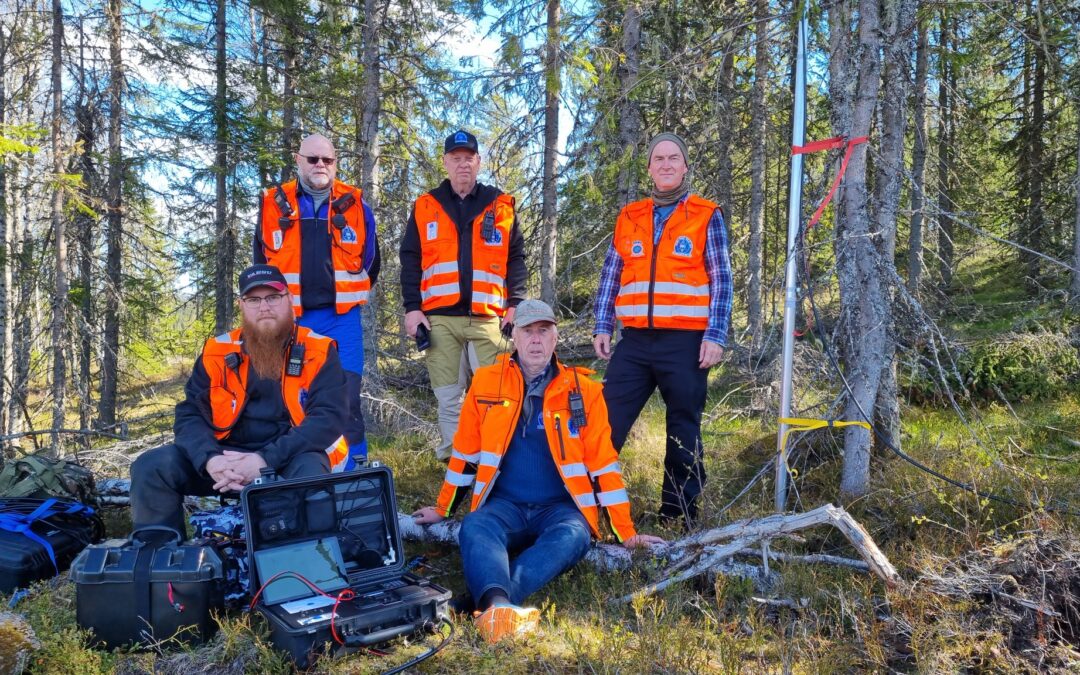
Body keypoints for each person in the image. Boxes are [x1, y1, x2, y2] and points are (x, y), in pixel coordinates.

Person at [413, 299, 663, 643]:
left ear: (555, 338)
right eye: (527, 331)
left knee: (575, 537)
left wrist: (626, 532)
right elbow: (466, 456)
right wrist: (443, 509)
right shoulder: (486, 383)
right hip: (504, 506)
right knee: (474, 526)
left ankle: (488, 602)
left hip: (559, 511)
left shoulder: (584, 391)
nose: (535, 340)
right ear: (513, 336)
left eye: (543, 331)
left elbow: (603, 464)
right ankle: (498, 607)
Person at [130, 265, 349, 536]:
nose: (264, 307)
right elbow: (190, 415)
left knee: (311, 472)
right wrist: (210, 460)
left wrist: (263, 460)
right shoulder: (217, 351)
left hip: (288, 455)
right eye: (253, 300)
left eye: (273, 297)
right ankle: (163, 562)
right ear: (241, 305)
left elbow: (328, 419)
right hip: (224, 459)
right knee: (152, 466)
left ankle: (303, 564)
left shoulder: (318, 350)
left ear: (289, 300)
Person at [592, 132, 733, 530]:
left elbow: (722, 278)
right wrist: (604, 323)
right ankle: (590, 505)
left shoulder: (707, 214)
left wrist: (715, 334)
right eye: (659, 159)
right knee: (605, 422)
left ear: (685, 166)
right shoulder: (630, 216)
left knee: (683, 429)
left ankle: (678, 515)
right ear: (650, 168)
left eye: (674, 158)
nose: (666, 164)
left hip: (686, 343)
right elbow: (611, 274)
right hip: (634, 342)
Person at [399, 129, 526, 461]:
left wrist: (516, 305)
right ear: (445, 163)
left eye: (468, 159)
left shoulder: (501, 205)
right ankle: (458, 470)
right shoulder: (426, 206)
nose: (462, 166)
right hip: (439, 319)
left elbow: (516, 259)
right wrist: (412, 309)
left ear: (478, 162)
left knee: (495, 395)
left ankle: (496, 463)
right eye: (455, 159)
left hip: (489, 320)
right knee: (449, 398)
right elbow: (410, 259)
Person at [254, 133, 378, 467]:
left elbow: (371, 262)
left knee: (347, 396)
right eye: (313, 159)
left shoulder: (356, 204)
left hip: (342, 320)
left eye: (327, 160)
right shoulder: (272, 205)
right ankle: (299, 467)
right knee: (292, 397)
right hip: (293, 321)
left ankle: (356, 468)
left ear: (336, 163)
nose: (320, 165)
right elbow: (261, 266)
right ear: (298, 160)